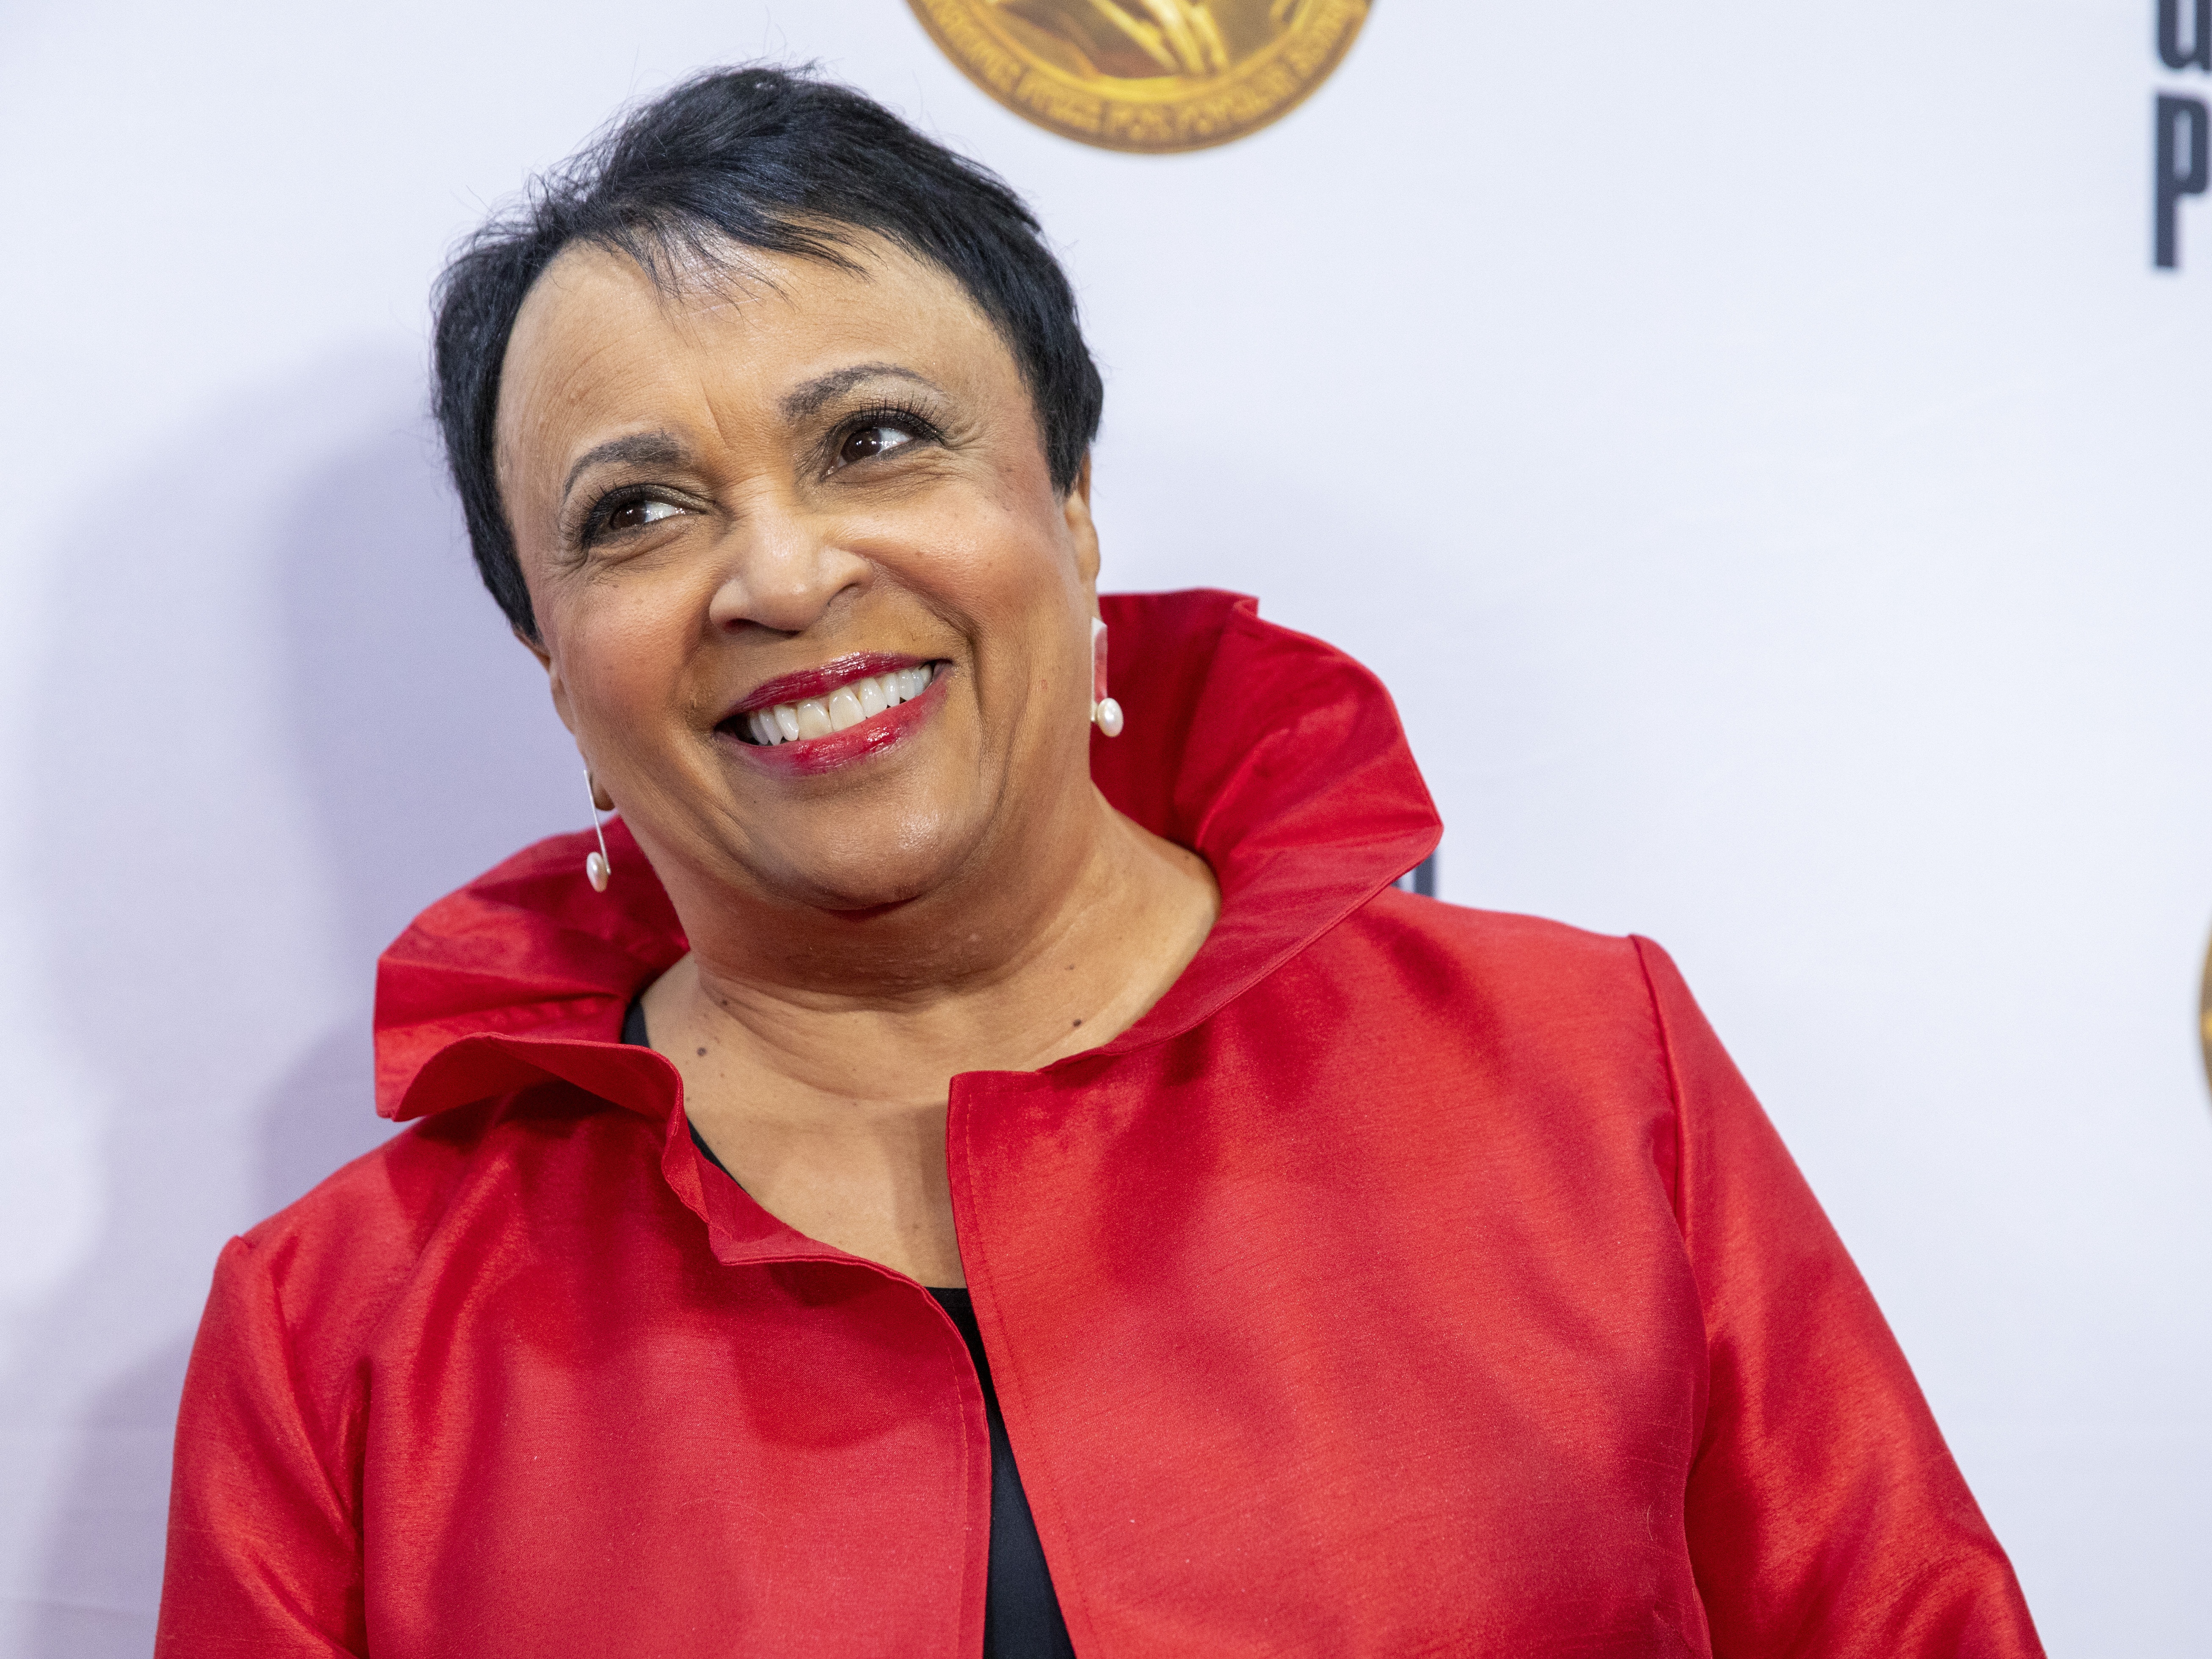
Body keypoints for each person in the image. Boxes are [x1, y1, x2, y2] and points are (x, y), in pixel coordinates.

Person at [154, 66, 2045, 1659]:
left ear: (1066, 505)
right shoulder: (343, 1334)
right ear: (552, 662)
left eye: (876, 439)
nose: (783, 575)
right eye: (636, 511)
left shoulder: (1584, 1073)